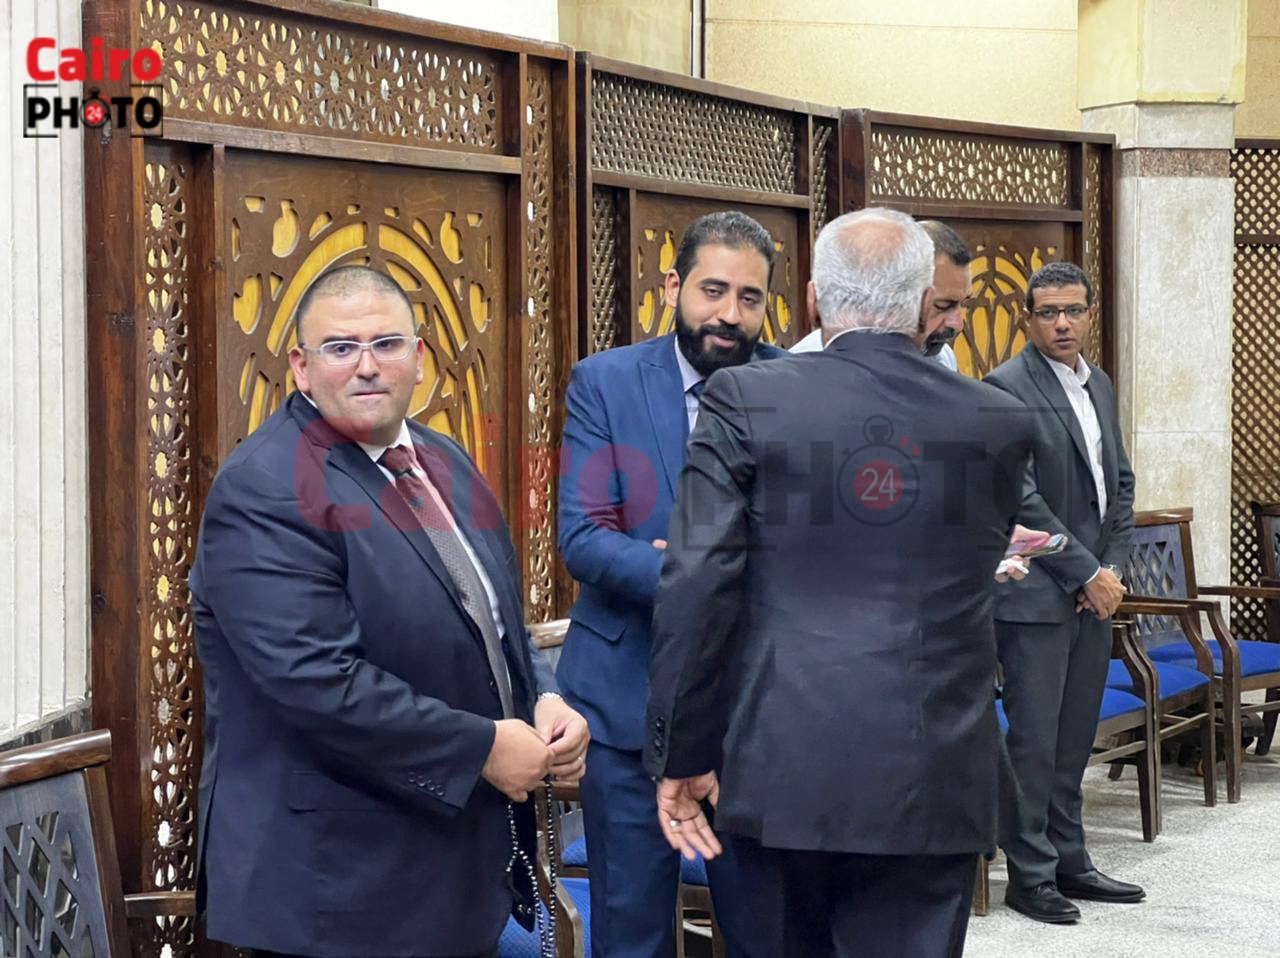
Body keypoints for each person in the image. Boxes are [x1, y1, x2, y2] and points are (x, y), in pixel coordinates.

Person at [644, 208, 1038, 957]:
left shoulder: (745, 400)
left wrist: (682, 754)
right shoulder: (999, 420)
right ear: (923, 303)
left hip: (779, 761)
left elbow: (696, 583)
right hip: (936, 766)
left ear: (816, 299)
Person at [190, 265, 589, 958]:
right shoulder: (266, 488)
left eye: (387, 344)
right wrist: (483, 748)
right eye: (341, 348)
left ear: (420, 357)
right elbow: (316, 681)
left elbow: (492, 620)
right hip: (340, 888)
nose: (367, 366)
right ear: (301, 368)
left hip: (452, 872)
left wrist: (543, 699)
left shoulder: (442, 458)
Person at [556, 211, 786, 957]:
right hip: (627, 708)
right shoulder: (606, 382)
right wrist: (709, 574)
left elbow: (810, 546)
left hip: (755, 715)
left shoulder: (794, 388)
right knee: (632, 936)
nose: (729, 314)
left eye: (749, 297)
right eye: (712, 290)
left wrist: (692, 564)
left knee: (768, 935)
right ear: (672, 286)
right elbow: (584, 538)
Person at [984, 261, 1141, 924]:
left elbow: (1121, 487)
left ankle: (1071, 861)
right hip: (1034, 600)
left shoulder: (1098, 384)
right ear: (1028, 319)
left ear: (1091, 314)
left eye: (1073, 310)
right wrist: (1085, 572)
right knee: (1033, 743)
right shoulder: (1005, 388)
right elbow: (1020, 502)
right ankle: (1030, 876)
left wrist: (1110, 572)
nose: (1062, 323)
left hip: (1091, 597)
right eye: (1048, 312)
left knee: (1074, 739)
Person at [789, 218, 969, 368]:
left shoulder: (941, 358)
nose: (958, 324)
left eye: (963, 303)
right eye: (942, 306)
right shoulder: (808, 366)